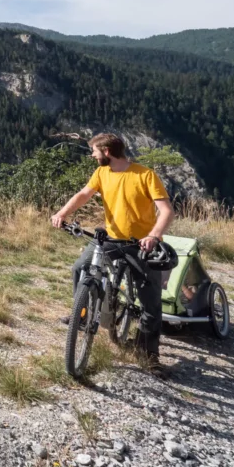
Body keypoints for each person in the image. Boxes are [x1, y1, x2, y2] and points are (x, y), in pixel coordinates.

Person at [50, 133, 174, 365]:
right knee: (80, 268)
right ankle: (83, 314)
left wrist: (153, 236)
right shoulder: (101, 173)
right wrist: (62, 213)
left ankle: (149, 354)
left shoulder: (145, 175)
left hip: (140, 244)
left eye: (95, 151)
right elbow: (83, 195)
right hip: (110, 238)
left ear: (107, 152)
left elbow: (166, 211)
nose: (92, 155)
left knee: (150, 302)